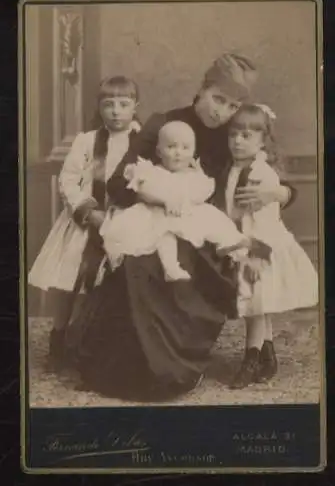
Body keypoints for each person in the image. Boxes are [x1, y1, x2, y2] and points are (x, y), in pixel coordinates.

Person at [66, 53, 297, 401]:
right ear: (201, 90)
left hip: (206, 233)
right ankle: (130, 366)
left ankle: (176, 366)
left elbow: (274, 173)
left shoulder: (233, 134)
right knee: (139, 267)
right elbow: (117, 184)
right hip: (153, 218)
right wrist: (159, 197)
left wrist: (279, 191)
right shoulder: (164, 123)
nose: (222, 111)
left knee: (183, 268)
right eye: (218, 99)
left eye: (232, 105)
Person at [28, 76, 141, 370]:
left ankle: (101, 343)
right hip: (85, 222)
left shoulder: (142, 142)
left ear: (135, 107)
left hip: (124, 224)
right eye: (108, 104)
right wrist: (88, 212)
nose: (116, 111)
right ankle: (59, 336)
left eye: (123, 104)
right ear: (99, 108)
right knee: (70, 282)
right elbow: (68, 180)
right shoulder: (87, 141)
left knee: (116, 285)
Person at [213, 103, 318, 389]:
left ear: (262, 140)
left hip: (260, 244)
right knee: (259, 303)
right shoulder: (235, 167)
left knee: (254, 305)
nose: (237, 141)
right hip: (248, 240)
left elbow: (246, 215)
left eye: (247, 136)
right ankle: (267, 356)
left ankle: (250, 359)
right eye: (233, 135)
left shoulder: (259, 173)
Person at [100, 120, 251, 281]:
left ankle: (229, 244)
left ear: (193, 152)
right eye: (171, 147)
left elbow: (205, 191)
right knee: (165, 233)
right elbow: (144, 191)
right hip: (157, 214)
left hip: (188, 213)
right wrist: (164, 200)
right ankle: (170, 267)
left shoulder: (193, 175)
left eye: (185, 148)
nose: (178, 153)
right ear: (159, 151)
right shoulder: (153, 172)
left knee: (216, 220)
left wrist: (190, 198)